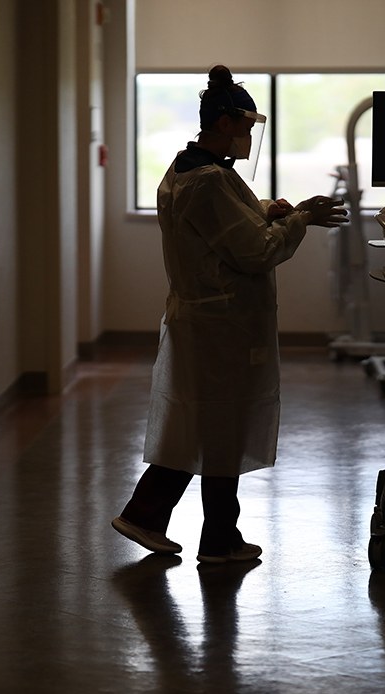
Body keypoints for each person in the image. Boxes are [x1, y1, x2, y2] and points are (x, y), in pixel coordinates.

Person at [112, 65, 347, 564]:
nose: (247, 138)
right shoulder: (209, 181)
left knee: (205, 424)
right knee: (220, 427)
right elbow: (254, 253)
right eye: (244, 127)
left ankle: (154, 515)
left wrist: (267, 211)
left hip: (205, 320)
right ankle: (212, 536)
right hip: (222, 325)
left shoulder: (189, 169)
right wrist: (299, 219)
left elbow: (223, 226)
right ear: (224, 123)